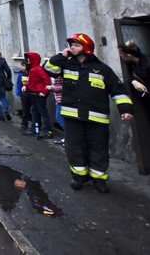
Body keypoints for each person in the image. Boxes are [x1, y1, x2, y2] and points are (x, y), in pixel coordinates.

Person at [44, 33, 134, 193]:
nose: (72, 47)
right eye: (71, 45)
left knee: (98, 149)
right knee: (74, 148)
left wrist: (125, 109)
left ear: (87, 48)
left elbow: (118, 90)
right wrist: (62, 55)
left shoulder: (103, 69)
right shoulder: (66, 65)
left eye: (76, 45)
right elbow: (49, 69)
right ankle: (79, 177)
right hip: (73, 117)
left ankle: (99, 180)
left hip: (97, 118)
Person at [118, 40, 150, 108]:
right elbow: (129, 75)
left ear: (129, 55)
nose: (120, 55)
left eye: (121, 53)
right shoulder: (131, 64)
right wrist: (134, 82)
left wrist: (144, 86)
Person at [22, 52, 52, 139]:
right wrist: (26, 86)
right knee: (34, 111)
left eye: (29, 59)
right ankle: (35, 129)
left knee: (42, 112)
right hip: (34, 94)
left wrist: (44, 91)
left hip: (40, 94)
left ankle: (48, 131)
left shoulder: (38, 69)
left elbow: (47, 81)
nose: (28, 61)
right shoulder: (33, 69)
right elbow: (32, 81)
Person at [50, 68, 65, 146]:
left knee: (59, 118)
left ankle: (69, 137)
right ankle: (66, 138)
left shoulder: (60, 75)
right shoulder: (53, 74)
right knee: (60, 118)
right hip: (58, 99)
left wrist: (51, 88)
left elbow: (63, 87)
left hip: (62, 99)